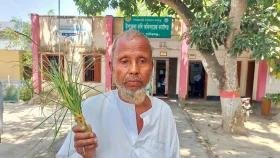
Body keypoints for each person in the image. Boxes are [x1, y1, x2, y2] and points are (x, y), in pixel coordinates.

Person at [56, 30, 180, 158]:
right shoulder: (89, 108)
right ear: (112, 68)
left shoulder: (163, 112)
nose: (134, 70)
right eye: (124, 61)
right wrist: (85, 155)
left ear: (152, 67)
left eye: (142, 61)